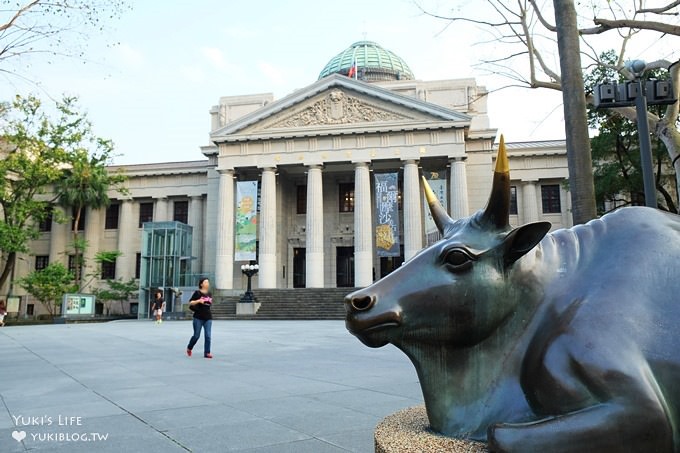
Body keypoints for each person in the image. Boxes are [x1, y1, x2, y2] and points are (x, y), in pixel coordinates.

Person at [186, 278, 213, 359]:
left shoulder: (209, 294)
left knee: (208, 336)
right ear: (201, 284)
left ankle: (207, 352)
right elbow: (190, 302)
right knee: (196, 336)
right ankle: (189, 347)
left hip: (208, 317)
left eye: (208, 282)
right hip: (198, 317)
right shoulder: (197, 293)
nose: (207, 283)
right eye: (205, 282)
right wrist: (198, 301)